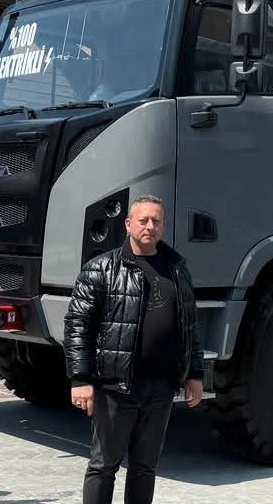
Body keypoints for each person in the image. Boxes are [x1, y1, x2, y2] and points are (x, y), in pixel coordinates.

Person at [63, 195, 204, 504]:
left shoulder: (177, 270)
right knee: (103, 466)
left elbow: (190, 326)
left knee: (145, 467)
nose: (149, 227)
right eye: (143, 220)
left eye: (156, 221)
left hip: (161, 389)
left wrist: (194, 373)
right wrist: (80, 379)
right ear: (128, 225)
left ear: (164, 226)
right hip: (116, 388)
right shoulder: (100, 269)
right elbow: (77, 326)